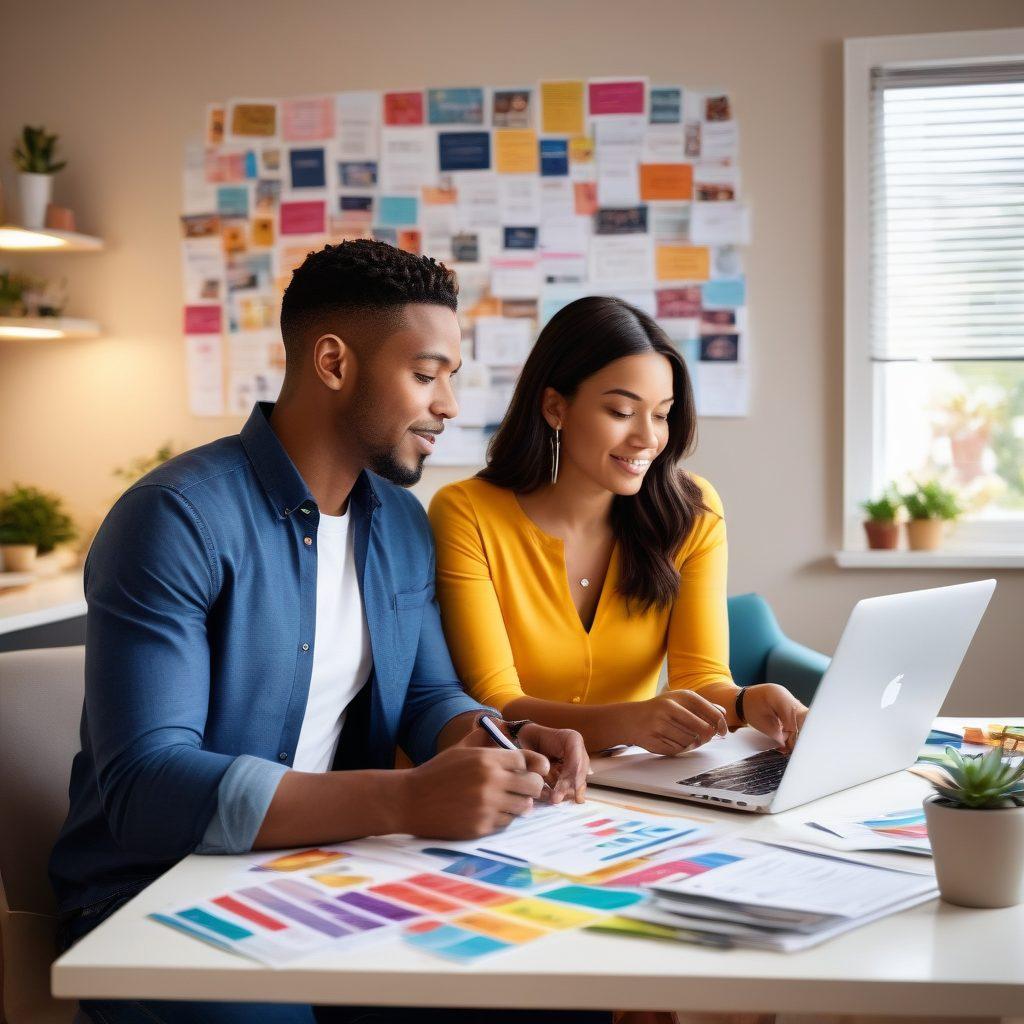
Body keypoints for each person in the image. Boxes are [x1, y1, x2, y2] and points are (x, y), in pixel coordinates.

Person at [50, 240, 598, 1024]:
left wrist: (503, 737)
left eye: (452, 378)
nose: (448, 405)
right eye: (425, 374)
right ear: (334, 363)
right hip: (150, 888)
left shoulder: (402, 524)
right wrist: (406, 798)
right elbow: (145, 786)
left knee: (551, 993)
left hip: (323, 871)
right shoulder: (175, 519)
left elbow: (429, 694)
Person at [428, 295, 808, 759]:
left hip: (631, 785)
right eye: (621, 412)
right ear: (555, 408)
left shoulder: (691, 511)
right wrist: (628, 721)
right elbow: (496, 701)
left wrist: (747, 702)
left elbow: (700, 678)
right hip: (510, 779)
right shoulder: (467, 512)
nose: (647, 438)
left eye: (662, 414)